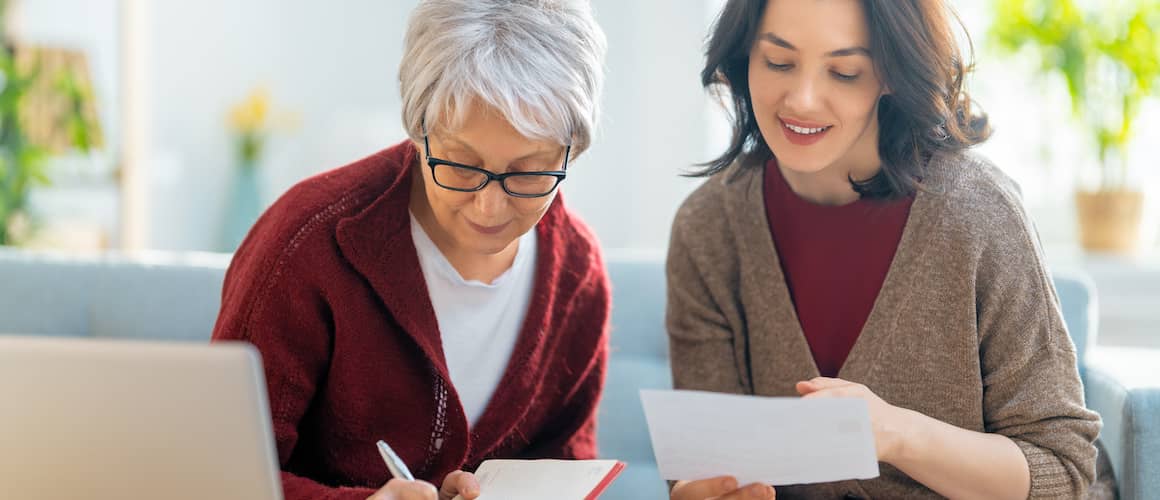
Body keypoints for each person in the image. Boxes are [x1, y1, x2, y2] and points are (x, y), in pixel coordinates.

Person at [666, 0, 1103, 498]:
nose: (803, 99)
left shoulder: (979, 212)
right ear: (743, 58)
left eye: (845, 72)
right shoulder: (708, 228)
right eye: (779, 63)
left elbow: (1062, 469)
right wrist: (702, 488)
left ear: (892, 74)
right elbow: (706, 460)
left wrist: (897, 434)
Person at [211, 1, 609, 499]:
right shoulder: (307, 243)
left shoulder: (577, 274)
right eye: (461, 165)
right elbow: (218, 475)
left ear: (574, 149)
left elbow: (566, 467)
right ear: (417, 130)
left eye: (529, 172)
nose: (489, 207)